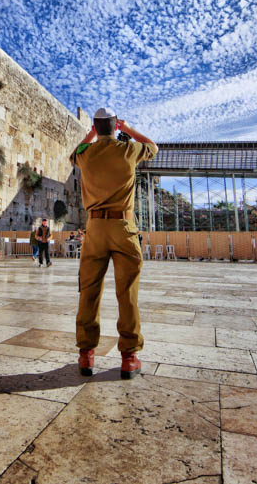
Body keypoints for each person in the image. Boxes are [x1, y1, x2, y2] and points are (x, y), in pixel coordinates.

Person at [70, 107, 156, 379]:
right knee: (127, 292)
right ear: (115, 126)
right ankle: (129, 358)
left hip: (94, 229)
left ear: (96, 127)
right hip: (123, 226)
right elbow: (152, 146)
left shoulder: (85, 154)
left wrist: (92, 134)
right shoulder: (128, 150)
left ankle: (86, 355)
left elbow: (74, 154)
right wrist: (128, 128)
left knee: (89, 292)